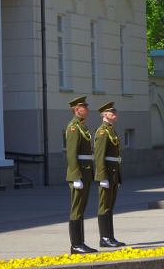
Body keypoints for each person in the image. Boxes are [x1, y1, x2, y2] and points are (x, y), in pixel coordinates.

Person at [65, 96, 97, 254]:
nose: (87, 109)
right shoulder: (73, 127)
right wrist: (76, 176)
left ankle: (81, 243)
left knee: (81, 208)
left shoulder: (82, 127)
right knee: (76, 209)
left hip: (85, 172)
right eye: (84, 107)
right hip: (79, 174)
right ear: (77, 109)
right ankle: (76, 244)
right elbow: (71, 154)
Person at [94, 102, 126, 248]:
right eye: (112, 112)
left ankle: (110, 237)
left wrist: (117, 176)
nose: (115, 114)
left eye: (115, 112)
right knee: (104, 206)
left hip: (113, 173)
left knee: (110, 206)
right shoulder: (102, 132)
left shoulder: (111, 131)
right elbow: (99, 156)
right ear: (105, 115)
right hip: (106, 174)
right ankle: (104, 238)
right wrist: (102, 177)